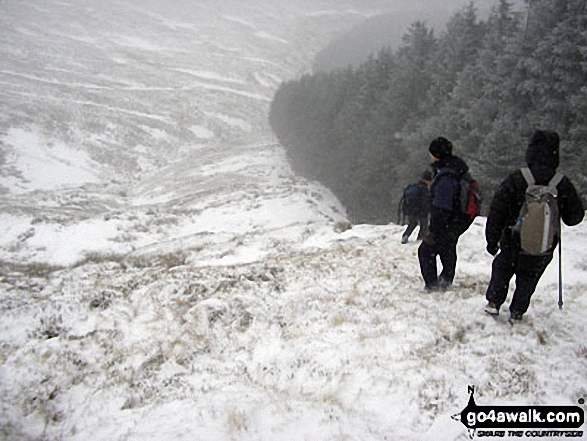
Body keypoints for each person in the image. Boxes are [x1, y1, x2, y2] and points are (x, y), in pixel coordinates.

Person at [484, 130, 584, 322]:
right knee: (530, 276)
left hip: (513, 239)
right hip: (543, 244)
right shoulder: (561, 183)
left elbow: (498, 210)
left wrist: (492, 239)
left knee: (503, 268)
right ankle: (518, 310)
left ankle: (494, 303)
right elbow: (574, 218)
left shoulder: (518, 178)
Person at [418, 137, 473, 291]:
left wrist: (433, 230)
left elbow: (441, 206)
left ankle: (432, 285)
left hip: (446, 221)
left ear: (437, 154)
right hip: (457, 220)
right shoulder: (457, 169)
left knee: (426, 250)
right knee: (447, 248)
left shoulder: (446, 175)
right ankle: (446, 279)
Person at [400, 170, 432, 244]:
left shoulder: (414, 186)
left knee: (412, 223)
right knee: (424, 225)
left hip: (411, 209)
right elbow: (425, 202)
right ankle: (420, 240)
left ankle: (405, 236)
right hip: (421, 210)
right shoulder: (424, 189)